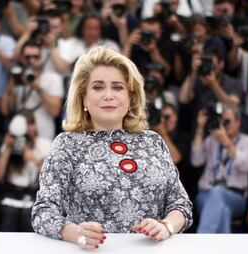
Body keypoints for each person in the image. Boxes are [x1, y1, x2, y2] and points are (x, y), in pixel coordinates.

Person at [31, 46, 192, 249]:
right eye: (98, 87)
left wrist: (166, 226)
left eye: (117, 87)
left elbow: (181, 204)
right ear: (83, 98)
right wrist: (77, 233)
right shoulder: (67, 144)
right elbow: (43, 212)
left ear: (130, 97)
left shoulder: (153, 142)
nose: (109, 95)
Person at [191, 105, 248, 233]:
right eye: (222, 121)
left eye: (228, 121)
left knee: (218, 193)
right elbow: (196, 160)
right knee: (223, 210)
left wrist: (225, 141)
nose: (224, 125)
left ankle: (201, 242)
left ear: (238, 123)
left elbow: (246, 165)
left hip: (235, 196)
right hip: (206, 193)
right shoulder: (211, 140)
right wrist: (200, 128)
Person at [0, 110, 51, 232]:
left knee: (28, 216)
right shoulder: (9, 144)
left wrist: (35, 158)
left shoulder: (44, 144)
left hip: (33, 192)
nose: (27, 129)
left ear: (34, 126)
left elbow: (51, 177)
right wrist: (8, 148)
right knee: (9, 215)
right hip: (11, 192)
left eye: (30, 124)